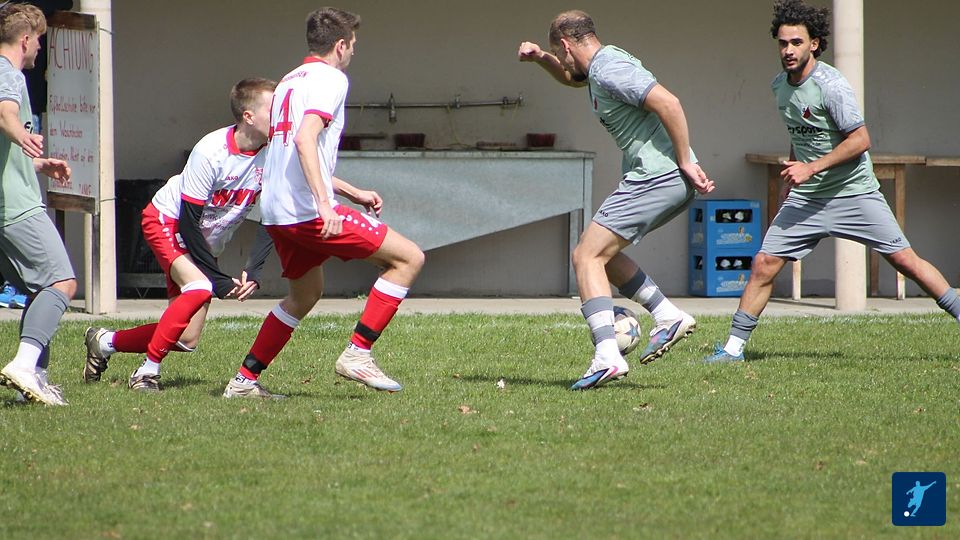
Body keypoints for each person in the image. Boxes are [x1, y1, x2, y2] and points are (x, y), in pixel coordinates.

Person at [705, 0, 960, 363]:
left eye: (796, 42)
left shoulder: (831, 85)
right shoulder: (780, 87)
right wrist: (795, 172)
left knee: (905, 261)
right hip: (807, 198)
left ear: (814, 44)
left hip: (854, 193)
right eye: (783, 43)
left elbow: (860, 140)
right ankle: (732, 350)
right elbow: (801, 133)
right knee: (763, 264)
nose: (788, 50)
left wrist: (810, 168)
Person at [223, 7, 424, 397]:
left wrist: (350, 192)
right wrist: (326, 204)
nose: (354, 52)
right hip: (307, 211)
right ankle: (358, 354)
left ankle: (244, 382)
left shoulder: (288, 82)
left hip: (277, 212)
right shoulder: (332, 79)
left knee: (304, 295)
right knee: (408, 259)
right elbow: (304, 140)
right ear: (341, 45)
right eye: (354, 44)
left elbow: (292, 152)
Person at [518, 10, 715, 390]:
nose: (561, 62)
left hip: (658, 176)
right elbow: (573, 78)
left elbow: (669, 103)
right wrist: (542, 59)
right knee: (601, 255)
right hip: (661, 178)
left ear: (566, 45)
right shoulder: (598, 67)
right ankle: (667, 315)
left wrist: (685, 161)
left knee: (586, 256)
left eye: (558, 54)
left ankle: (607, 356)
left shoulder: (610, 69)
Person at [83, 78, 278, 392]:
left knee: (186, 338)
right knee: (200, 286)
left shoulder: (275, 152)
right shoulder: (211, 151)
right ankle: (146, 373)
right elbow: (188, 222)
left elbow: (275, 212)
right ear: (248, 116)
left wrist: (253, 270)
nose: (282, 114)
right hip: (168, 221)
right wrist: (217, 278)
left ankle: (104, 342)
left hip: (202, 239)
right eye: (274, 108)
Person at [0, 3, 74, 405]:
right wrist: (22, 136)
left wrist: (36, 162)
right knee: (61, 282)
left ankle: (33, 382)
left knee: (39, 287)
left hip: (10, 197)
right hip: (15, 206)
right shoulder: (7, 72)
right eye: (40, 40)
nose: (41, 48)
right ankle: (25, 366)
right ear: (25, 40)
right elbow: (5, 113)